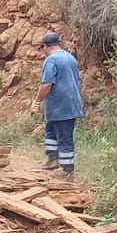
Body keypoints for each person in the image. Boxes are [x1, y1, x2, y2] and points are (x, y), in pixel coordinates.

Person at [29, 30, 83, 175]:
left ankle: (67, 170)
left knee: (64, 136)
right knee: (51, 131)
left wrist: (37, 101)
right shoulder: (70, 58)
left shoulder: (51, 60)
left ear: (46, 46)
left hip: (62, 105)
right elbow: (77, 79)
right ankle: (53, 160)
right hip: (64, 105)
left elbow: (47, 84)